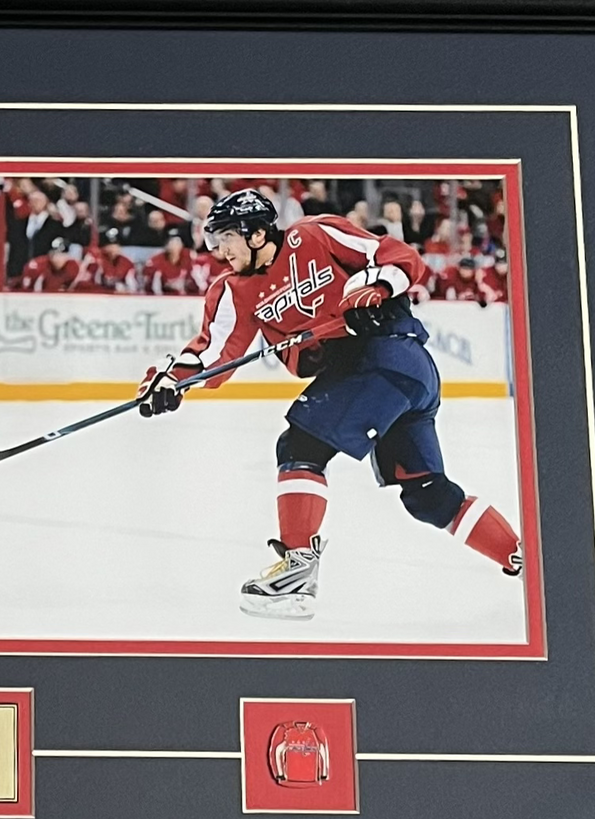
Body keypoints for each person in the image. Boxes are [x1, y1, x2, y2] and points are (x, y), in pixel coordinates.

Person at [132, 189, 523, 620]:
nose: (219, 250)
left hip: (389, 355)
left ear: (257, 234)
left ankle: (296, 575)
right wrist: (171, 380)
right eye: (214, 240)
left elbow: (398, 258)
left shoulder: (313, 235)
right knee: (427, 495)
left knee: (300, 445)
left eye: (226, 238)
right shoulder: (234, 290)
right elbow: (214, 353)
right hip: (382, 377)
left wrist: (372, 290)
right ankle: (523, 557)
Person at [17, 236, 84, 292]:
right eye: (54, 253)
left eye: (61, 254)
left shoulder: (74, 267)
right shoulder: (37, 266)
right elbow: (25, 291)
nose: (57, 257)